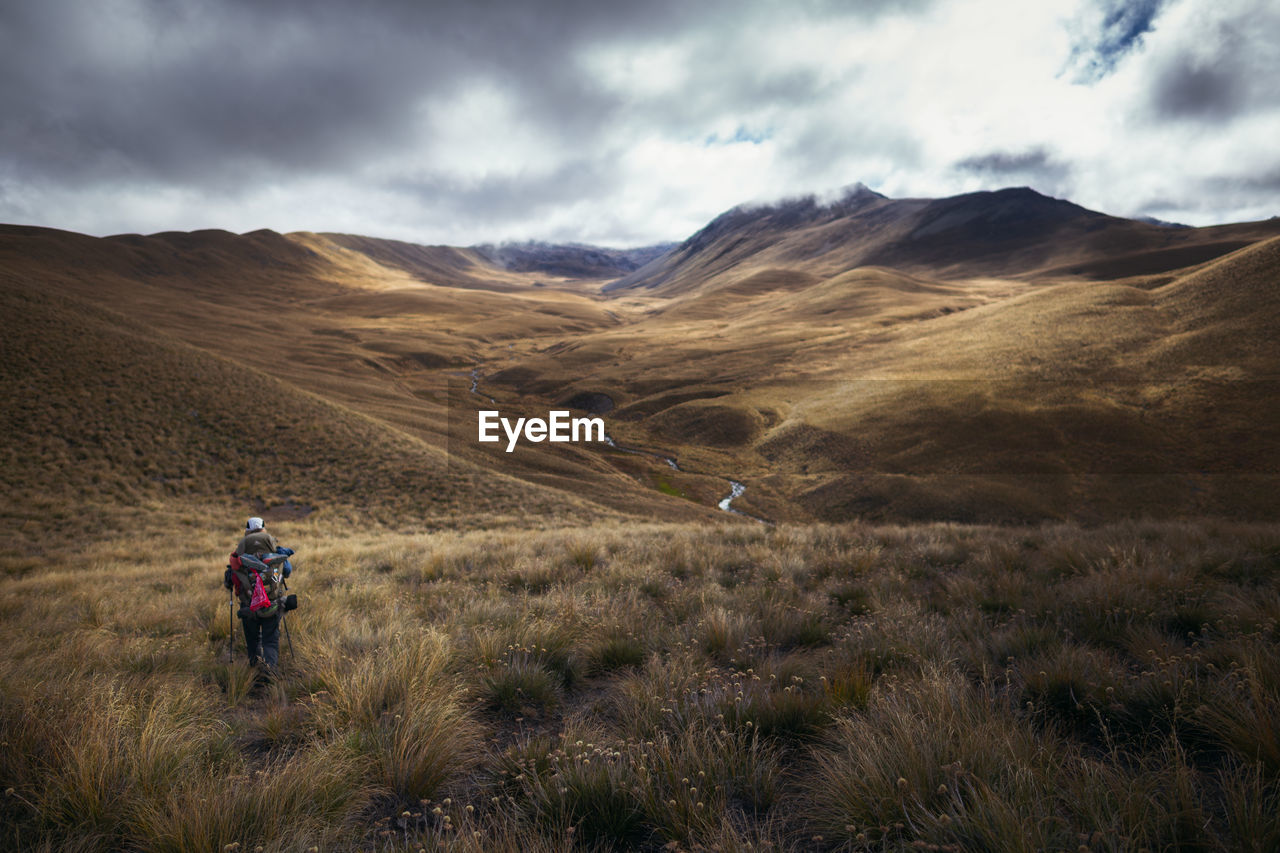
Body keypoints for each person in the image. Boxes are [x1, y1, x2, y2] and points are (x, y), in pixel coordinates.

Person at [223, 516, 291, 673]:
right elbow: (286, 572)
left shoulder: (239, 551)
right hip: (273, 603)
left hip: (248, 605)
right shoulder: (274, 547)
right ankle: (270, 672)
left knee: (252, 639)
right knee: (270, 640)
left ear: (247, 529)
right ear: (263, 527)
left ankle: (255, 669)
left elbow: (229, 581)